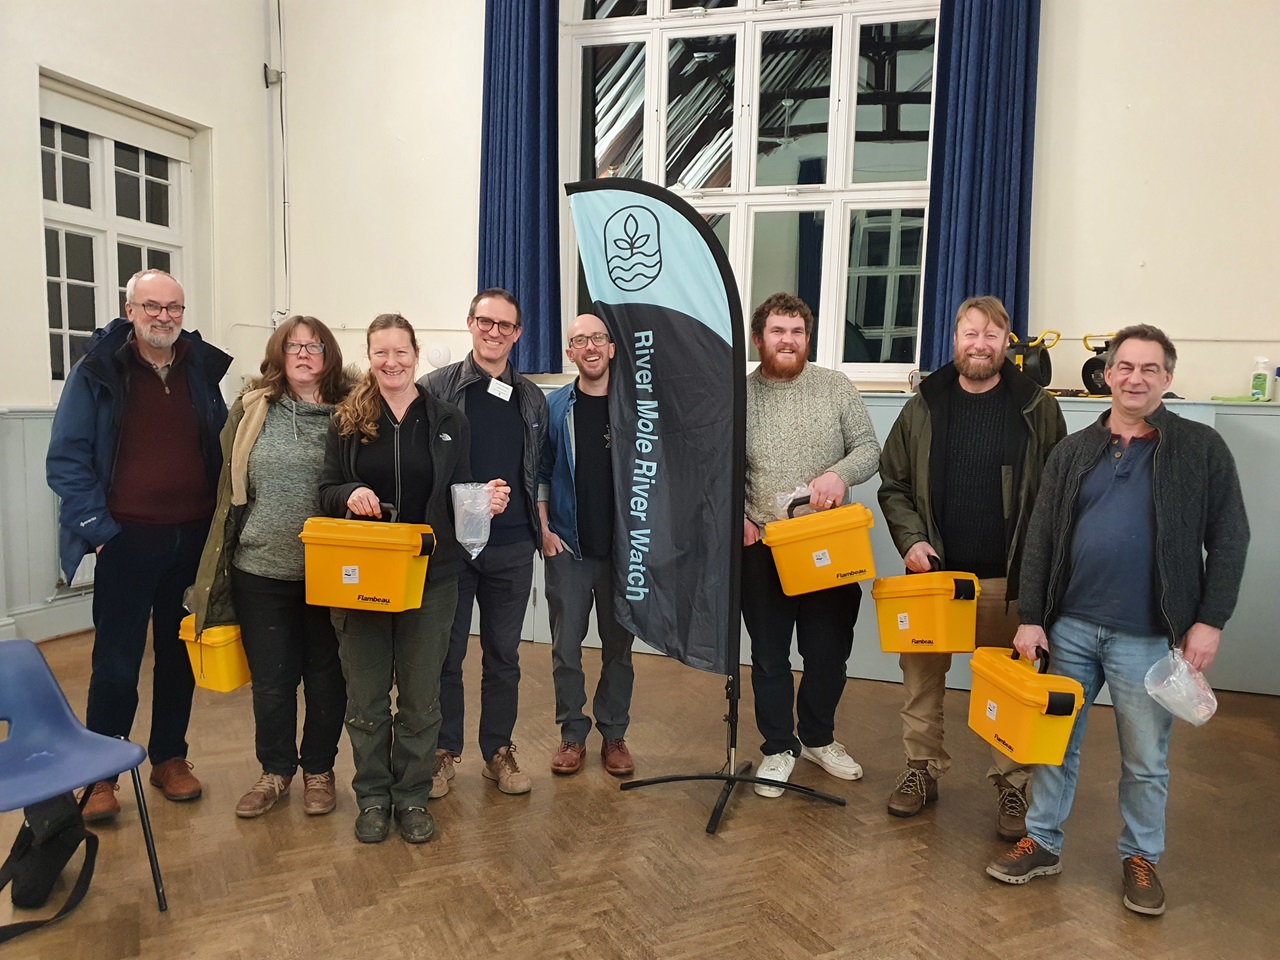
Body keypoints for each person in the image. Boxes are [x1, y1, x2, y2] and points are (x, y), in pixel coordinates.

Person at [985, 324, 1250, 916]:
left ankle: (1141, 857)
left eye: (1149, 369)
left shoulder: (1201, 450)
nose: (1135, 378)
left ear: (1167, 378)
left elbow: (1230, 538)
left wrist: (1209, 621)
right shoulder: (1075, 449)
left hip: (1150, 636)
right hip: (1069, 629)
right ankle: (1045, 841)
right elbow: (1040, 539)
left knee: (1146, 760)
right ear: (1107, 375)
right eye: (1125, 367)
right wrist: (1032, 617)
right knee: (1054, 747)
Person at [878, 296, 1066, 838]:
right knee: (921, 684)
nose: (979, 344)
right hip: (936, 582)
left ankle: (1011, 784)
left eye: (991, 334)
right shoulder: (924, 404)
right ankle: (920, 772)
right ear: (953, 339)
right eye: (969, 333)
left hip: (1009, 582)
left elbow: (1057, 495)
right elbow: (893, 484)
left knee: (1008, 688)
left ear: (1007, 342)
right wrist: (911, 541)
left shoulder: (1037, 407)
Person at [47, 269, 231, 822]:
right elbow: (67, 458)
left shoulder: (199, 368)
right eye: (152, 306)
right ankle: (101, 774)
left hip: (191, 539)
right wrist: (100, 533)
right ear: (130, 310)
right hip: (125, 540)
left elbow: (219, 446)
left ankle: (170, 757)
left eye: (174, 308)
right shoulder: (99, 371)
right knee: (116, 661)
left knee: (178, 657)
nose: (164, 317)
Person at [319, 314, 509, 844]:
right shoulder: (348, 419)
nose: (391, 362)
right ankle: (373, 798)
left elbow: (460, 494)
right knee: (367, 698)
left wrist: (485, 500)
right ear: (370, 356)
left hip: (432, 575)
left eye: (400, 352)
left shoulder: (448, 419)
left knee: (423, 698)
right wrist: (349, 492)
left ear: (416, 353)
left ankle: (412, 796)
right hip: (363, 578)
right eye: (381, 353)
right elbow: (326, 489)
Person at [189, 316, 354, 820]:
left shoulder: (351, 413)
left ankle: (319, 770)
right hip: (260, 568)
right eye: (293, 346)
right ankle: (275, 771)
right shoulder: (253, 408)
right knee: (273, 679)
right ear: (279, 354)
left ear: (330, 356)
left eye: (315, 346)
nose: (304, 354)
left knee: (327, 679)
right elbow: (228, 487)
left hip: (331, 573)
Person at [741, 292, 881, 798]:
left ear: (808, 338)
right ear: (760, 339)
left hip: (829, 546)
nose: (788, 340)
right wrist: (738, 513)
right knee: (770, 655)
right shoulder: (740, 394)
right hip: (763, 548)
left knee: (827, 654)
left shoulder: (835, 387)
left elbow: (869, 448)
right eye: (778, 331)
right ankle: (779, 747)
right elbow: (719, 463)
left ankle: (819, 738)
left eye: (797, 331)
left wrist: (838, 476)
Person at [422, 289, 547, 796]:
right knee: (445, 655)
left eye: (505, 325)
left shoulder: (531, 397)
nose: (494, 332)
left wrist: (543, 521)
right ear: (469, 323)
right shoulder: (436, 389)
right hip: (452, 549)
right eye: (485, 322)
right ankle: (443, 750)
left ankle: (498, 750)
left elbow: (541, 469)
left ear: (518, 333)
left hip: (513, 547)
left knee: (503, 655)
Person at [537, 314, 635, 777]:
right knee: (566, 647)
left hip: (623, 553)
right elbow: (538, 471)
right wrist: (543, 528)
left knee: (619, 647)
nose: (590, 347)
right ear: (570, 353)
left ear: (612, 348)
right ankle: (572, 735)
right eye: (579, 340)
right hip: (569, 549)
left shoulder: (637, 406)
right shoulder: (556, 407)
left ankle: (614, 733)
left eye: (598, 338)